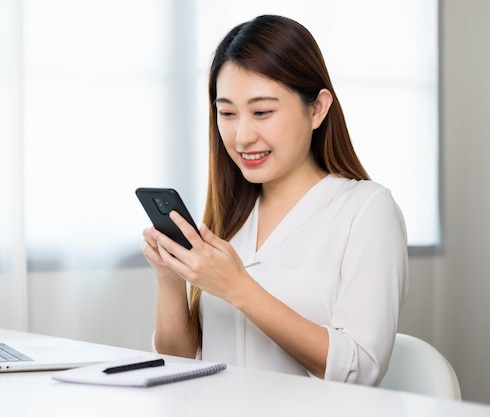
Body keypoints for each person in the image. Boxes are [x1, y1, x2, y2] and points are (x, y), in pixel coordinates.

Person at [141, 14, 408, 385]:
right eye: (227, 113)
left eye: (262, 112)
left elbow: (359, 369)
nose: (242, 136)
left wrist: (238, 288)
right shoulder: (230, 214)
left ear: (317, 108)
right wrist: (170, 277)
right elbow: (179, 363)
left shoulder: (366, 209)